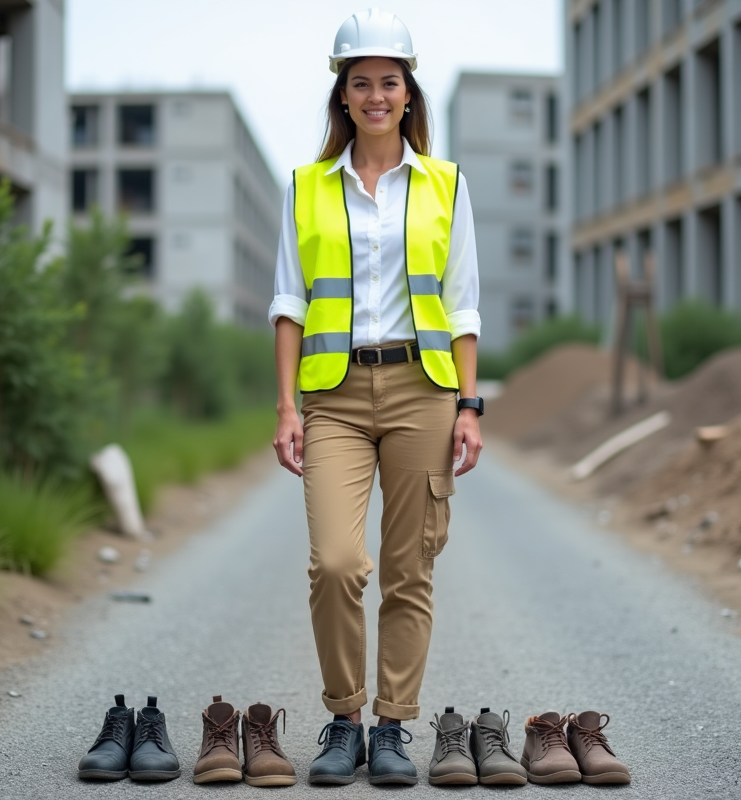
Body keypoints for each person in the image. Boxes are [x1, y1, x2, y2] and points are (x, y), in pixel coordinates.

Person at [268, 7, 485, 787]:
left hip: (423, 392)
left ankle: (391, 728)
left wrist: (469, 406)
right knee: (335, 564)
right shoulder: (305, 187)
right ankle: (344, 720)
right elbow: (288, 302)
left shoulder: (445, 184)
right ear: (343, 93)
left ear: (408, 91)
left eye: (389, 81)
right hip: (332, 396)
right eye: (361, 82)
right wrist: (287, 407)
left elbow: (462, 304)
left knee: (408, 569)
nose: (376, 95)